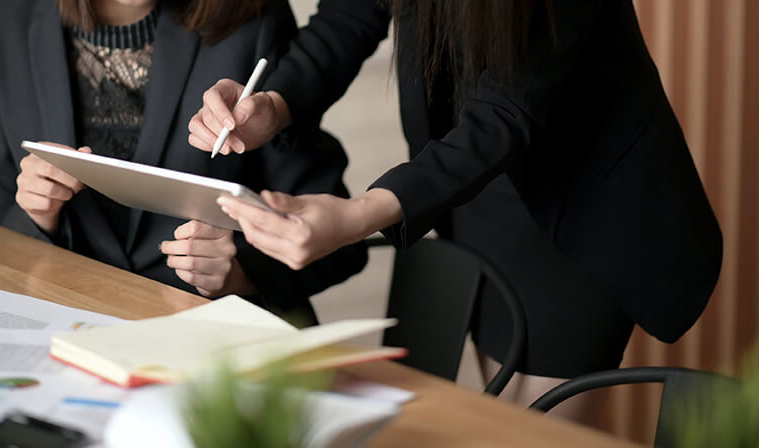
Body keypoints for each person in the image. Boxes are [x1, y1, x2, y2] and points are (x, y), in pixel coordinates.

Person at [188, 0, 723, 423]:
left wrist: (357, 216)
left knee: (535, 429)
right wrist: (274, 106)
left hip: (578, 213)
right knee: (500, 413)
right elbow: (350, 14)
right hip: (463, 188)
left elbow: (504, 114)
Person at [0, 0, 367, 322]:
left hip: (209, 341)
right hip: (63, 326)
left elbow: (331, 234)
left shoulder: (251, 17)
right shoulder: (0, 26)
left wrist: (240, 274)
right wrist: (37, 214)